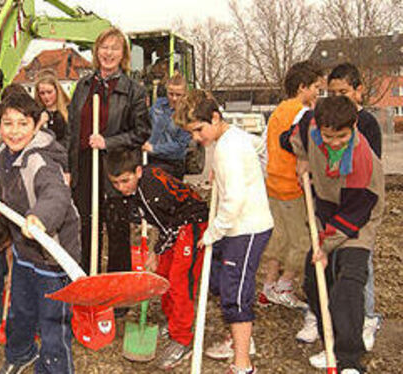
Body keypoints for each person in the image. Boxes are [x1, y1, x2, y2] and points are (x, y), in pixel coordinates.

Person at [0, 92, 80, 374]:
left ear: (36, 125)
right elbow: (10, 185)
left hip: (53, 256)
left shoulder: (41, 160)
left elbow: (56, 195)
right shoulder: (3, 154)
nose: (14, 131)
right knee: (20, 312)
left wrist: (40, 217)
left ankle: (54, 369)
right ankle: (21, 354)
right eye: (8, 123)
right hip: (24, 252)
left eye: (23, 123)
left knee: (52, 324)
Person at [285, 96, 384, 374]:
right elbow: (292, 136)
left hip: (358, 219)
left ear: (353, 125)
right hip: (326, 212)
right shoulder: (310, 124)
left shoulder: (362, 162)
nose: (335, 142)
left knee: (349, 284)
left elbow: (354, 215)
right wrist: (303, 157)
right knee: (314, 281)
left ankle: (349, 358)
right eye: (329, 136)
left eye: (341, 136)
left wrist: (325, 247)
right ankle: (330, 332)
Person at [178, 91, 273, 374]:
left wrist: (212, 233)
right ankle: (239, 338)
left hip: (246, 229)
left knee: (235, 292)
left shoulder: (227, 149)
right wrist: (225, 173)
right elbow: (259, 147)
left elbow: (233, 203)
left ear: (215, 117)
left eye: (198, 129)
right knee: (219, 280)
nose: (196, 137)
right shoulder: (233, 138)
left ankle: (243, 363)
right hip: (236, 228)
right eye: (191, 132)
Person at [104, 148, 208, 369]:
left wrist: (157, 250)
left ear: (138, 171)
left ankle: (183, 339)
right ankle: (173, 323)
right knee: (164, 276)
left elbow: (173, 223)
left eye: (125, 180)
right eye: (116, 183)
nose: (122, 187)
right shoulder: (143, 185)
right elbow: (165, 222)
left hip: (192, 224)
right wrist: (157, 250)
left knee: (180, 282)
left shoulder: (150, 192)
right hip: (175, 225)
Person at [67, 27, 150, 284]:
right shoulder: (83, 86)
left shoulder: (133, 90)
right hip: (84, 166)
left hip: (115, 168)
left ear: (123, 53)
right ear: (96, 51)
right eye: (104, 47)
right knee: (85, 230)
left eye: (115, 48)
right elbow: (72, 131)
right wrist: (70, 169)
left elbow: (141, 132)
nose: (108, 53)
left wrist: (108, 142)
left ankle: (116, 291)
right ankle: (85, 283)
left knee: (116, 231)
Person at [259, 61, 322, 310]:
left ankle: (267, 287)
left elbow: (265, 147)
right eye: (316, 87)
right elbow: (303, 145)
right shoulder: (302, 113)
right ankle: (284, 285)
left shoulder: (277, 112)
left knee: (280, 239)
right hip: (291, 187)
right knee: (303, 242)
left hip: (273, 184)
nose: (318, 92)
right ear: (302, 87)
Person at [142, 72, 192, 180]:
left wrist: (154, 148)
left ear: (185, 94)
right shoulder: (158, 105)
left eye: (178, 95)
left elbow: (180, 146)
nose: (174, 98)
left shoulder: (187, 115)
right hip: (151, 158)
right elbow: (146, 123)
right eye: (171, 94)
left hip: (173, 163)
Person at [34, 68, 70, 150]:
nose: (46, 97)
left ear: (57, 91)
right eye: (42, 93)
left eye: (49, 92)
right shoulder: (36, 112)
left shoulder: (68, 110)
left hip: (64, 155)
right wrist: (39, 124)